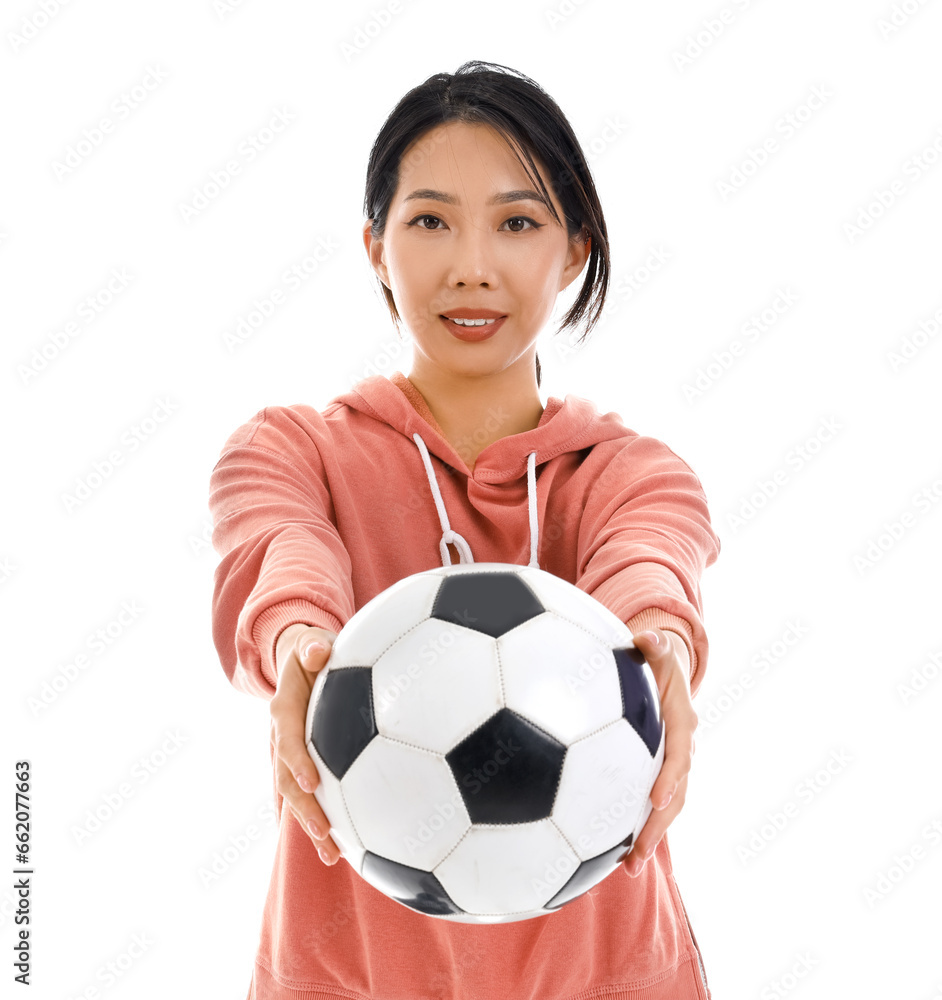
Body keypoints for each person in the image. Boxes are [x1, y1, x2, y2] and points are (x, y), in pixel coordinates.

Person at [210, 59, 721, 1000]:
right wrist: (298, 646)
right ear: (375, 246)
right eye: (431, 220)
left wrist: (665, 647)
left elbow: (649, 563)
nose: (471, 266)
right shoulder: (292, 451)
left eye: (518, 223)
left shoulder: (629, 472)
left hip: (609, 976)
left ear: (573, 252)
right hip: (349, 975)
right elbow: (281, 559)